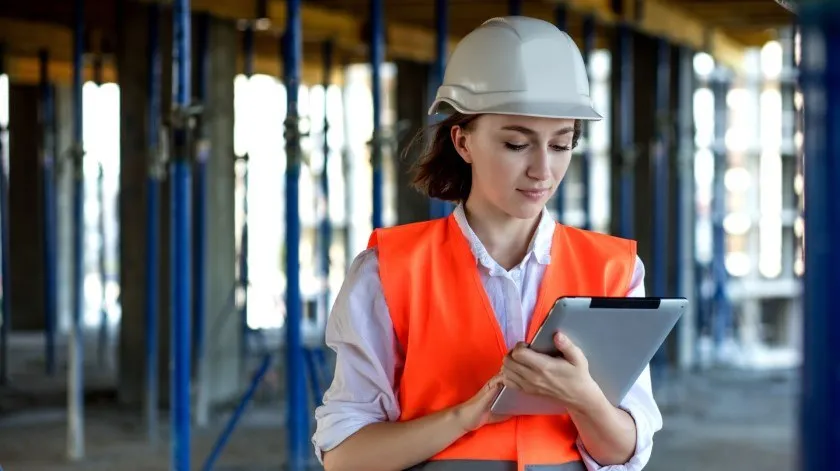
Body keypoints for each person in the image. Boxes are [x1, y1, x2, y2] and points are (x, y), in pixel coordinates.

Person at [312, 15, 662, 471]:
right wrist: (464, 417)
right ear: (462, 141)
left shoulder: (614, 269)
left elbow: (624, 453)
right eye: (517, 144)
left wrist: (583, 399)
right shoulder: (388, 271)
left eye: (561, 144)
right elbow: (345, 456)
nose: (543, 170)